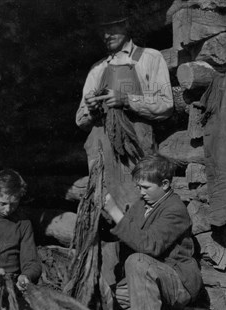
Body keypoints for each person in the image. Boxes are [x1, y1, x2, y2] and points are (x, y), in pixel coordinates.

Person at [75, 9, 174, 287]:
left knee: (139, 214)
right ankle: (108, 287)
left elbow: (165, 105)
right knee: (106, 216)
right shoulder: (97, 69)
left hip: (136, 156)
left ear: (127, 25)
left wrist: (126, 99)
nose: (106, 35)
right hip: (104, 157)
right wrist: (92, 110)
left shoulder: (149, 58)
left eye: (113, 28)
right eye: (102, 30)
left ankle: (142, 282)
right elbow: (80, 119)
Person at [103, 156, 202, 310]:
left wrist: (116, 212)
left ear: (165, 184)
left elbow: (150, 245)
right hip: (153, 276)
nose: (141, 193)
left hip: (178, 279)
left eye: (146, 187)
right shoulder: (143, 205)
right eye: (138, 187)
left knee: (137, 261)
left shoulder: (175, 209)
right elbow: (127, 232)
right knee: (117, 299)